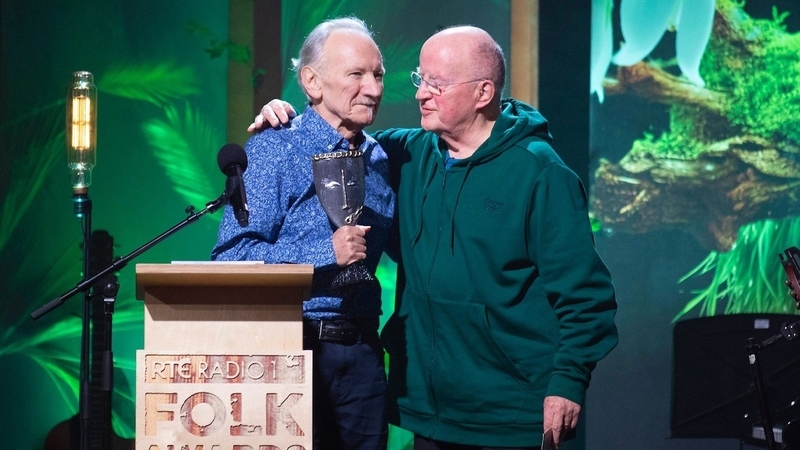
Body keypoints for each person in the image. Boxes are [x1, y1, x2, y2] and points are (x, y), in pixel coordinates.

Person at [254, 25, 618, 450]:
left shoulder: (540, 173)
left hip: (509, 413)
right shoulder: (404, 153)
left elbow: (586, 296)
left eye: (436, 84)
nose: (420, 94)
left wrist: (568, 381)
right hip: (429, 414)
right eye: (419, 79)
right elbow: (335, 130)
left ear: (483, 94)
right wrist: (286, 117)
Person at [212, 17, 395, 450]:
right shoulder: (274, 147)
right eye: (356, 74)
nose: (373, 88)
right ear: (311, 82)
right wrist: (322, 250)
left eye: (378, 74)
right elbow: (231, 256)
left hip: (364, 354)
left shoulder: (380, 157)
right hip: (292, 348)